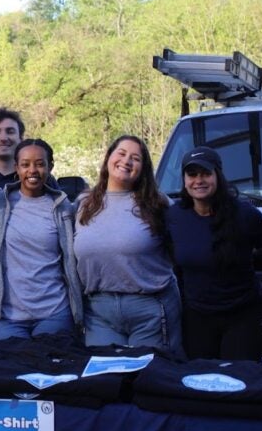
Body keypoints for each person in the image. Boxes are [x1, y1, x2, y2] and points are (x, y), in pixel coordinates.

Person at [74, 135, 183, 356]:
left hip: (150, 308)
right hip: (99, 311)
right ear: (108, 158)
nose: (127, 161)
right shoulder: (83, 203)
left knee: (150, 378)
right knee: (106, 380)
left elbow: (185, 249)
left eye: (136, 158)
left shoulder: (159, 205)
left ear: (143, 169)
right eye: (121, 154)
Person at [166, 147, 262, 360]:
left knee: (239, 382)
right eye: (192, 174)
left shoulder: (247, 215)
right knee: (201, 383)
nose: (198, 180)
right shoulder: (173, 217)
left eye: (205, 173)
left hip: (243, 316)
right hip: (196, 318)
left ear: (218, 176)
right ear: (184, 180)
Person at [0, 139, 83, 339]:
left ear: (50, 167)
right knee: (6, 368)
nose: (32, 170)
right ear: (16, 168)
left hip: (54, 312)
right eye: (25, 164)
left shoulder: (62, 207)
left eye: (40, 164)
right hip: (8, 317)